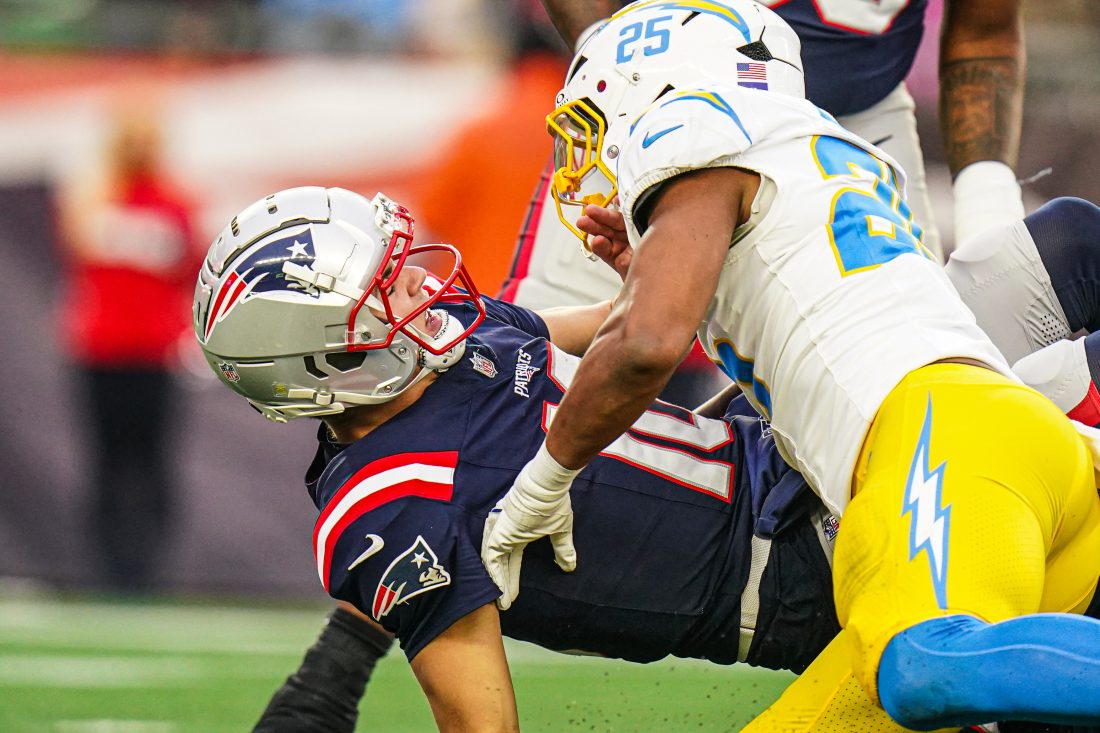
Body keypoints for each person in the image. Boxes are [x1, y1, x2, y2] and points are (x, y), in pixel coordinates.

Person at [203, 187, 1100, 733]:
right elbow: (479, 718)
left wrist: (659, 276)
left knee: (1057, 249)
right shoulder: (391, 508)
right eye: (388, 289)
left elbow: (628, 335)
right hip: (816, 569)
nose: (423, 285)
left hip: (821, 448)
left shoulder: (447, 343)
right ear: (331, 362)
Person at [480, 3, 1100, 730]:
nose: (591, 148)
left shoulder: (686, 125)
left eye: (598, 114)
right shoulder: (826, 148)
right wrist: (676, 285)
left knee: (924, 667)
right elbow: (806, 319)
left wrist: (541, 483)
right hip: (985, 451)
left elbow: (646, 345)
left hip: (938, 448)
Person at [56, 89, 200, 592]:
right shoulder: (91, 196)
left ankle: (149, 570)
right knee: (106, 461)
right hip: (99, 350)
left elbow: (189, 271)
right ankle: (107, 570)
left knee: (153, 462)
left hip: (155, 351)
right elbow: (78, 256)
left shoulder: (177, 201)